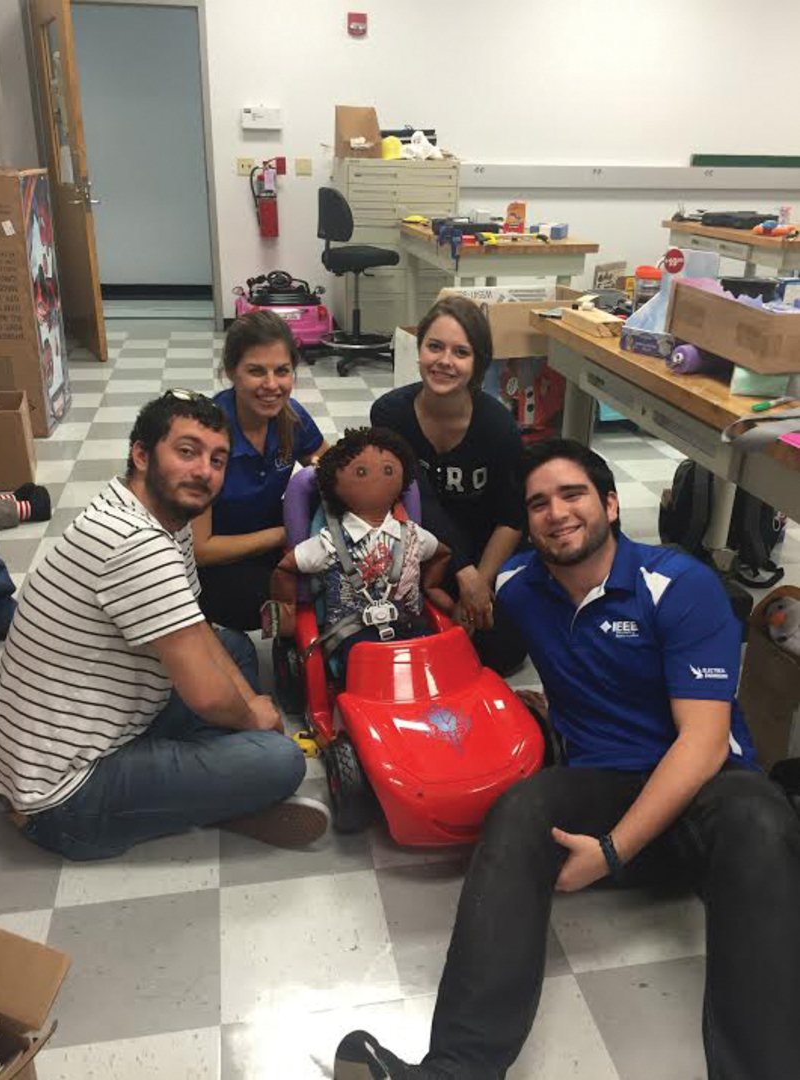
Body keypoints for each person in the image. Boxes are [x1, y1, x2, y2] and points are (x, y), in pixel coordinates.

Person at [334, 438, 800, 1080]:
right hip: (603, 788)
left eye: (573, 494)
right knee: (521, 809)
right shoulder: (522, 588)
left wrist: (611, 852)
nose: (556, 512)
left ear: (610, 504)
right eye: (539, 504)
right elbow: (460, 641)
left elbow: (704, 742)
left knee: (762, 818)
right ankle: (454, 1072)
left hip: (708, 798)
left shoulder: (681, 586)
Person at [0, 391, 328, 860]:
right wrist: (254, 717)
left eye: (217, 459)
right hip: (63, 797)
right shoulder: (136, 544)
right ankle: (219, 799)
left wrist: (249, 703)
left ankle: (206, 791)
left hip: (90, 722)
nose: (204, 471)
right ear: (142, 454)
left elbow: (198, 629)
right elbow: (208, 696)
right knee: (281, 760)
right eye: (186, 452)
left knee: (233, 649)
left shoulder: (155, 518)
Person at [370, 295, 526, 675]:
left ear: (478, 363)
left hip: (485, 550)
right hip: (416, 547)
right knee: (390, 642)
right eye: (434, 346)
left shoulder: (498, 426)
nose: (444, 361)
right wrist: (462, 571)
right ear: (419, 348)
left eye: (461, 352)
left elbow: (512, 517)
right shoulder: (389, 414)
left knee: (503, 650)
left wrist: (479, 584)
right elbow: (411, 498)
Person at [267, 426, 451, 672]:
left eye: (388, 470)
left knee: (438, 662)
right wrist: (287, 605)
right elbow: (287, 567)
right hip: (353, 635)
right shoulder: (329, 542)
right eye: (361, 472)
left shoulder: (412, 535)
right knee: (371, 669)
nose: (377, 477)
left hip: (409, 626)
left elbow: (442, 553)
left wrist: (430, 587)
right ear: (334, 484)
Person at [193, 311, 329, 630]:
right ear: (231, 372)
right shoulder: (207, 436)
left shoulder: (292, 417)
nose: (271, 385)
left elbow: (334, 470)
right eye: (256, 371)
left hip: (270, 540)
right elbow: (201, 549)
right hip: (216, 561)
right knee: (279, 600)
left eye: (282, 371)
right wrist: (286, 533)